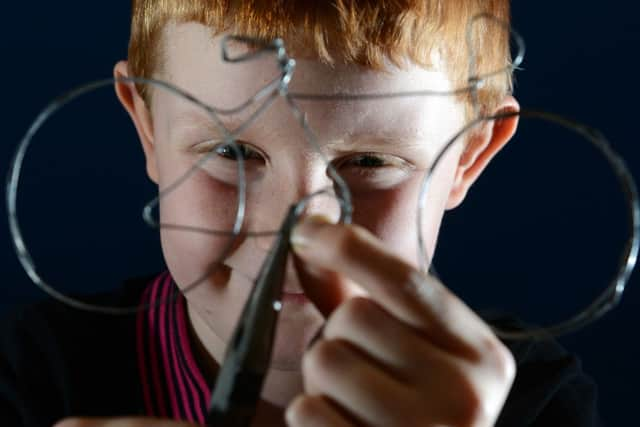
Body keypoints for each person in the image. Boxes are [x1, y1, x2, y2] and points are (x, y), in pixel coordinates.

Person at [1, 1, 602, 426]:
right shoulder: (28, 377)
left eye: (369, 161)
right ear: (149, 130)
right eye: (231, 152)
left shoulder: (531, 404)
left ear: (469, 158)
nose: (296, 228)